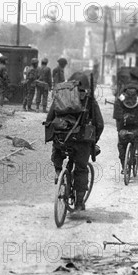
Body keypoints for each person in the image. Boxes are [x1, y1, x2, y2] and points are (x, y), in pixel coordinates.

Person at [45, 72, 104, 211]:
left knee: (57, 149)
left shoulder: (61, 96)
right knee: (81, 169)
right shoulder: (89, 100)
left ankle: (58, 171)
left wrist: (53, 135)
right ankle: (79, 202)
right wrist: (94, 141)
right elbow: (99, 124)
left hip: (62, 139)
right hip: (81, 141)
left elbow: (49, 118)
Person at [113, 67, 138, 172]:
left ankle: (124, 167)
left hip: (124, 121)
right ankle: (137, 152)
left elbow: (118, 103)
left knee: (121, 142)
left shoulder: (124, 89)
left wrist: (119, 119)